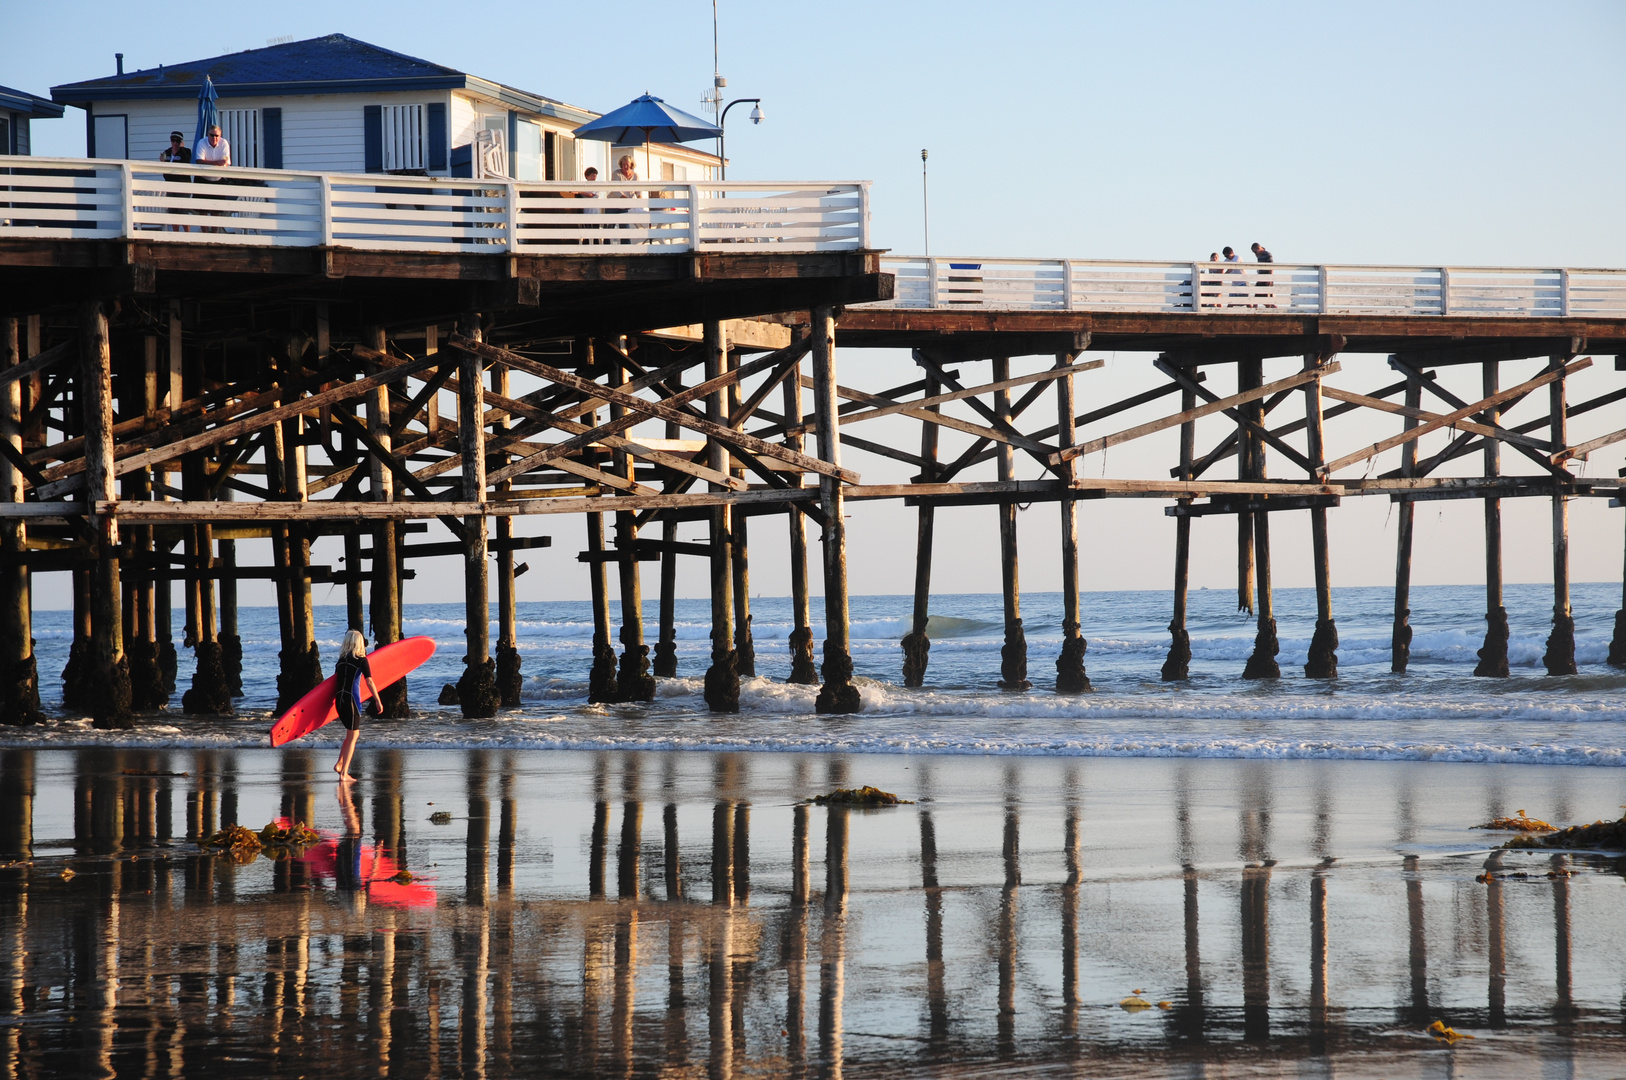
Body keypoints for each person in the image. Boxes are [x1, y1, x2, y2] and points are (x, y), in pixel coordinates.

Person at [332, 629, 381, 783]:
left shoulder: (340, 661)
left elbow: (334, 683)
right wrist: (377, 700)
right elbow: (369, 681)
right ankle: (344, 774)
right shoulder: (361, 660)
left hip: (339, 701)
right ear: (359, 643)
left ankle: (340, 764)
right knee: (353, 736)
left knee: (350, 734)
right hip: (352, 701)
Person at [159, 132, 192, 231]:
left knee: (183, 211)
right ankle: (175, 234)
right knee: (173, 211)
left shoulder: (186, 151)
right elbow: (164, 170)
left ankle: (187, 235)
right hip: (170, 184)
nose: (175, 143)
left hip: (183, 184)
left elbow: (187, 161)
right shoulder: (167, 152)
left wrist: (181, 149)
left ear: (181, 141)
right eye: (173, 140)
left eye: (177, 141)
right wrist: (163, 162)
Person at [608, 155, 639, 244]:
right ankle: (606, 247)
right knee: (609, 226)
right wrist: (626, 198)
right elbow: (616, 189)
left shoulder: (635, 176)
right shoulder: (616, 174)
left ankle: (626, 248)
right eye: (623, 164)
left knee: (625, 226)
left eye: (627, 164)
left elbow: (638, 190)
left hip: (626, 205)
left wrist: (639, 199)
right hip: (613, 203)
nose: (625, 166)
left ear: (631, 165)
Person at [1251, 241, 1275, 307]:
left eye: (1255, 251)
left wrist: (1270, 279)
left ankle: (1272, 307)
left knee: (1266, 297)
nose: (1254, 253)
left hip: (1267, 277)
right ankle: (1256, 309)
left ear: (1259, 248)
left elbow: (1271, 267)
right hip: (1261, 278)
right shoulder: (1259, 255)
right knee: (1257, 296)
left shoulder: (1267, 254)